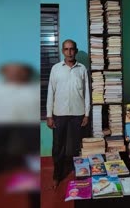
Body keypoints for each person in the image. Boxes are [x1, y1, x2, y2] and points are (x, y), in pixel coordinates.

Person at [46, 39, 90, 190]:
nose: (69, 52)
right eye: (66, 49)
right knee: (58, 146)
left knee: (77, 146)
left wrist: (87, 114)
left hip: (78, 114)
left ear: (76, 51)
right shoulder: (56, 69)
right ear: (62, 51)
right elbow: (50, 93)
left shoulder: (82, 69)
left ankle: (80, 173)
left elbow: (87, 93)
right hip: (59, 114)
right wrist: (49, 115)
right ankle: (57, 175)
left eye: (72, 49)